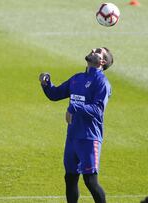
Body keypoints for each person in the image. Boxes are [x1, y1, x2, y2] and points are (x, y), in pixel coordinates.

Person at [39, 47, 113, 203]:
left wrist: (74, 107)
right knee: (70, 178)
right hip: (72, 137)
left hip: (89, 138)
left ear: (102, 61)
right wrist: (46, 84)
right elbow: (55, 94)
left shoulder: (102, 82)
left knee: (90, 181)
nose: (93, 49)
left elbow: (98, 110)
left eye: (98, 51)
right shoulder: (77, 78)